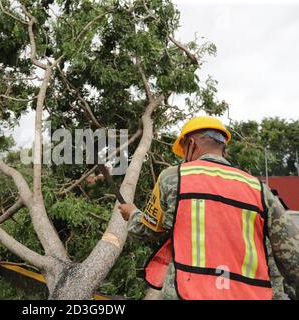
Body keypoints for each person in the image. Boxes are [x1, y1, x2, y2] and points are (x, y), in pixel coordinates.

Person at [119, 116, 299, 300]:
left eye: (183, 152)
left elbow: (147, 230)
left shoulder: (173, 177)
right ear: (224, 150)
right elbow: (292, 257)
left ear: (191, 144)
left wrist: (132, 212)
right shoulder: (258, 189)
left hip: (186, 294)